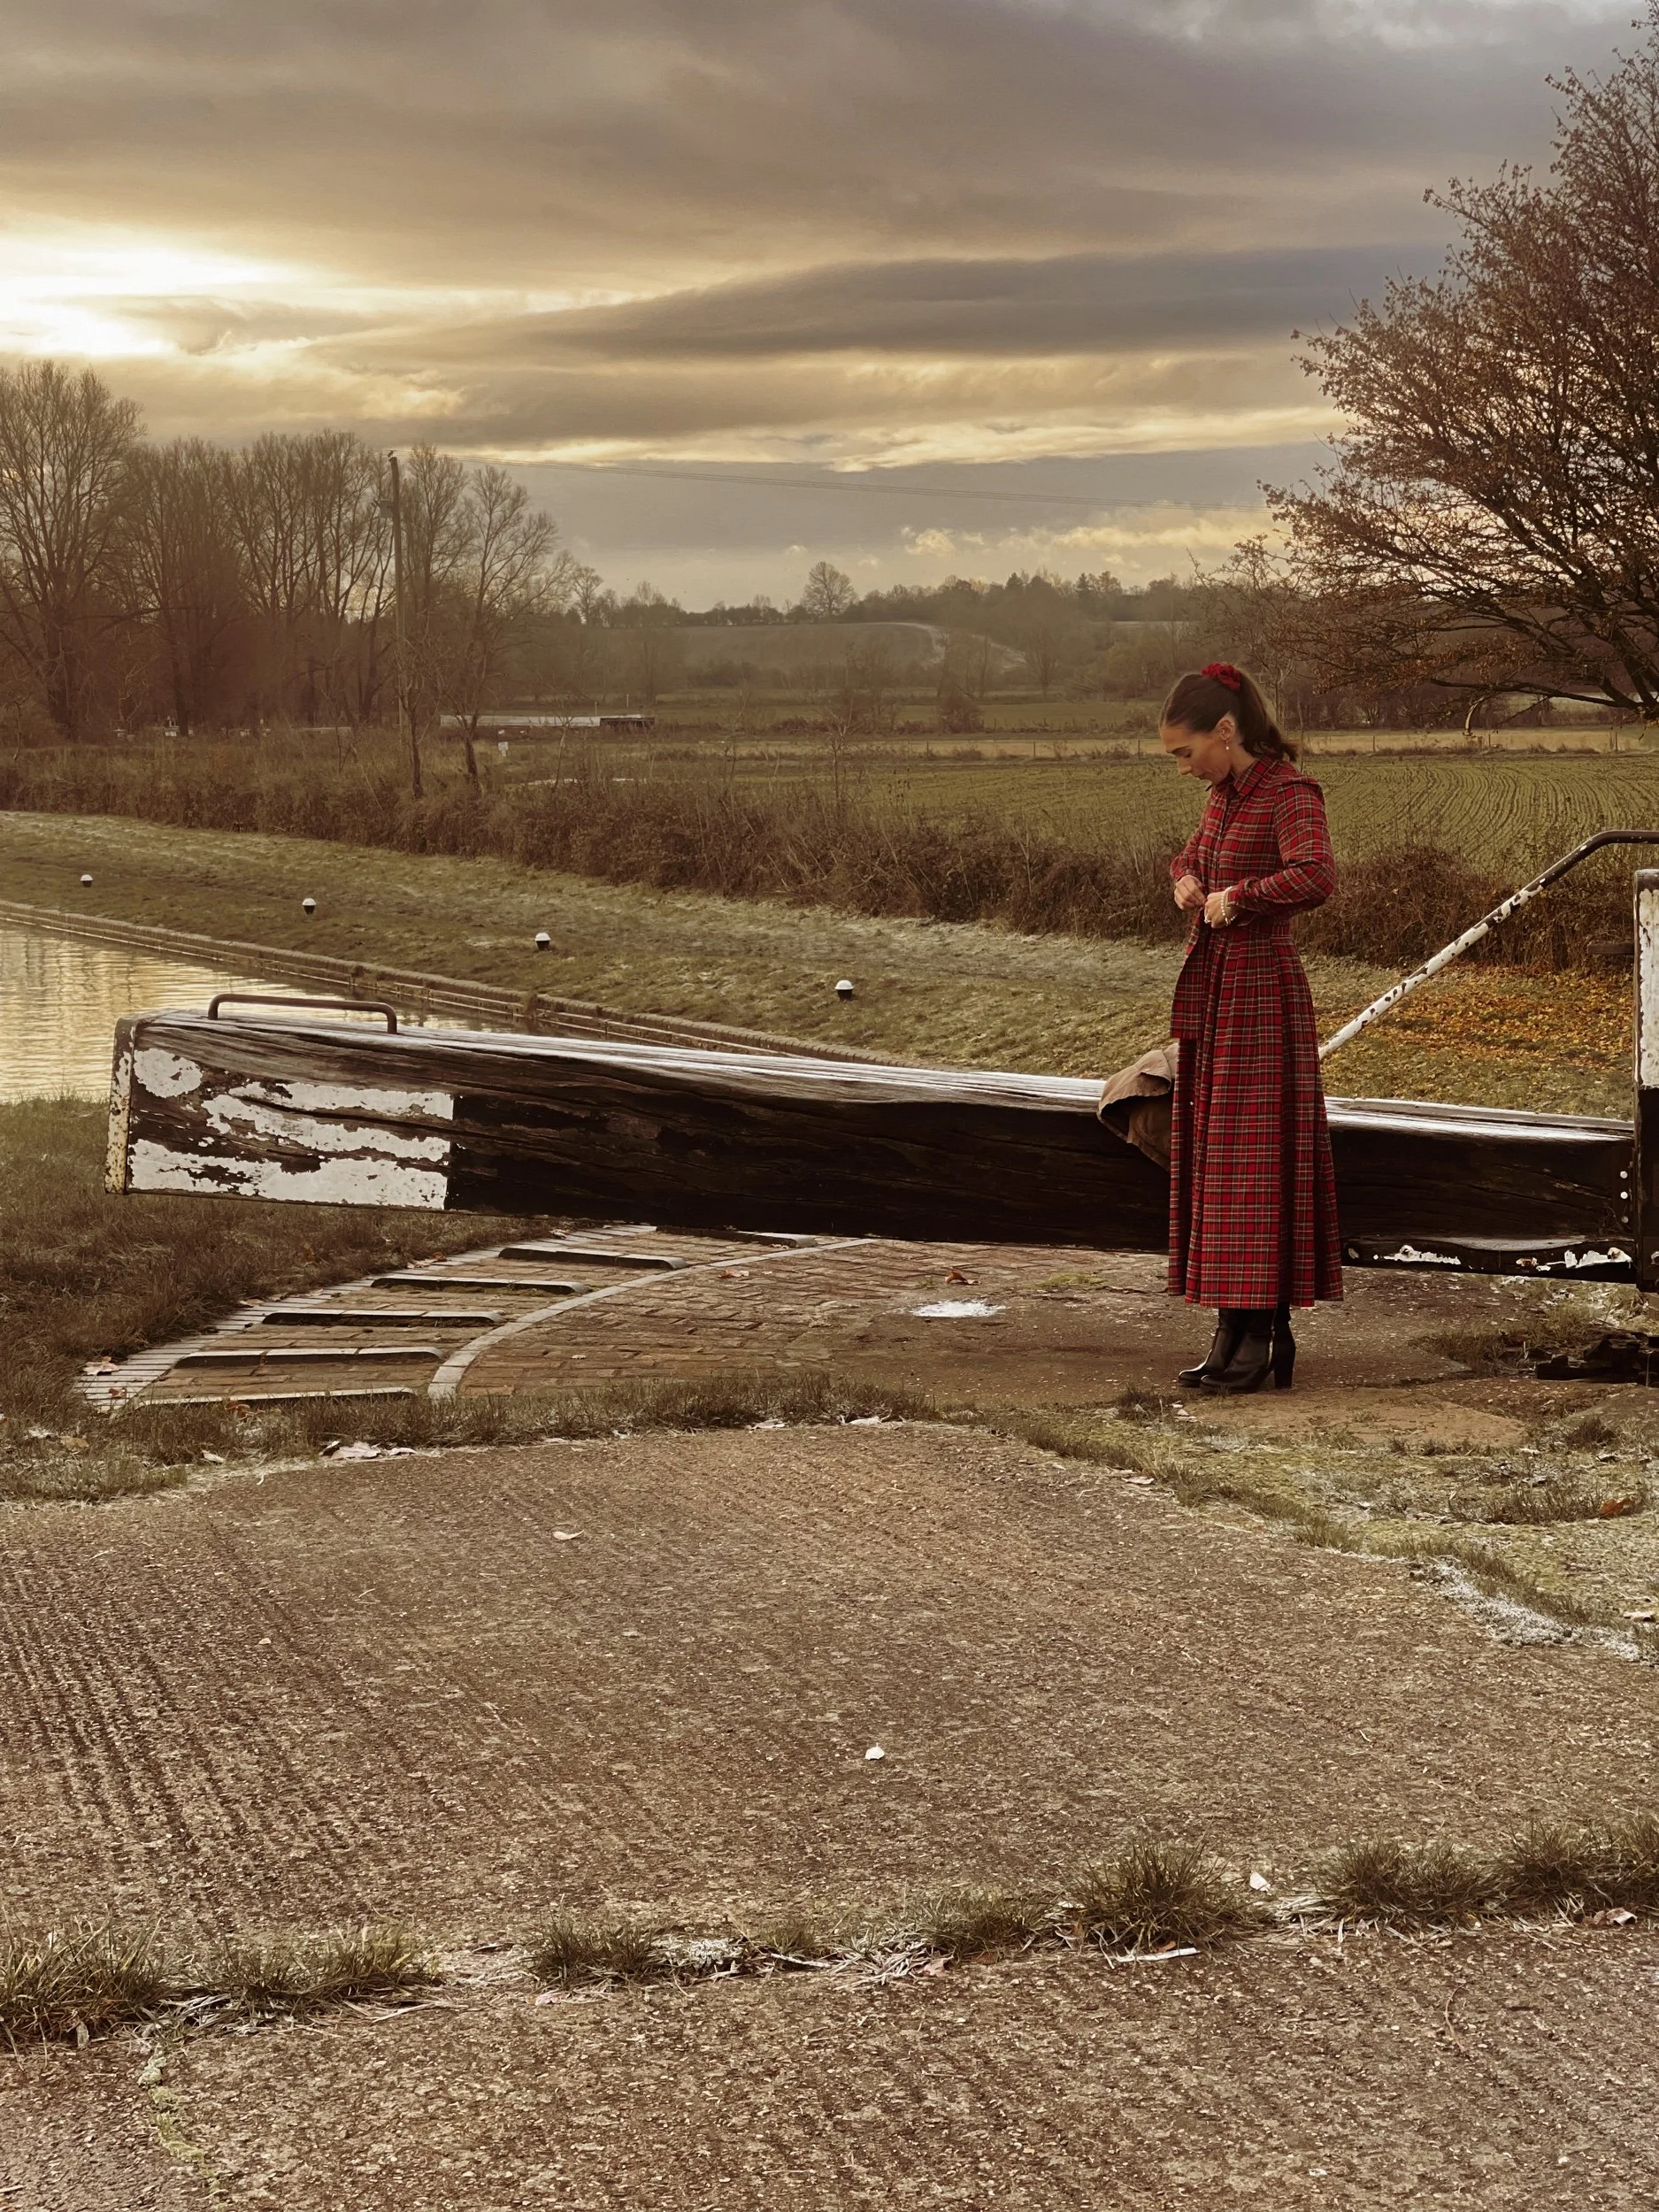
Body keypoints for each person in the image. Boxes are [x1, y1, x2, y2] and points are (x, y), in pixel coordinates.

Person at [1160, 662, 1342, 1393]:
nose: (1182, 768)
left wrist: (1239, 898)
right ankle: (1232, 1330)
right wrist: (1183, 877)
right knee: (1220, 1161)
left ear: (1225, 731)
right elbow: (1196, 857)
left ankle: (1263, 1335)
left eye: (1184, 751)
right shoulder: (1222, 797)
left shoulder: (1288, 793)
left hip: (1262, 995)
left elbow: (1316, 875)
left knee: (1253, 1163)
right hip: (1217, 993)